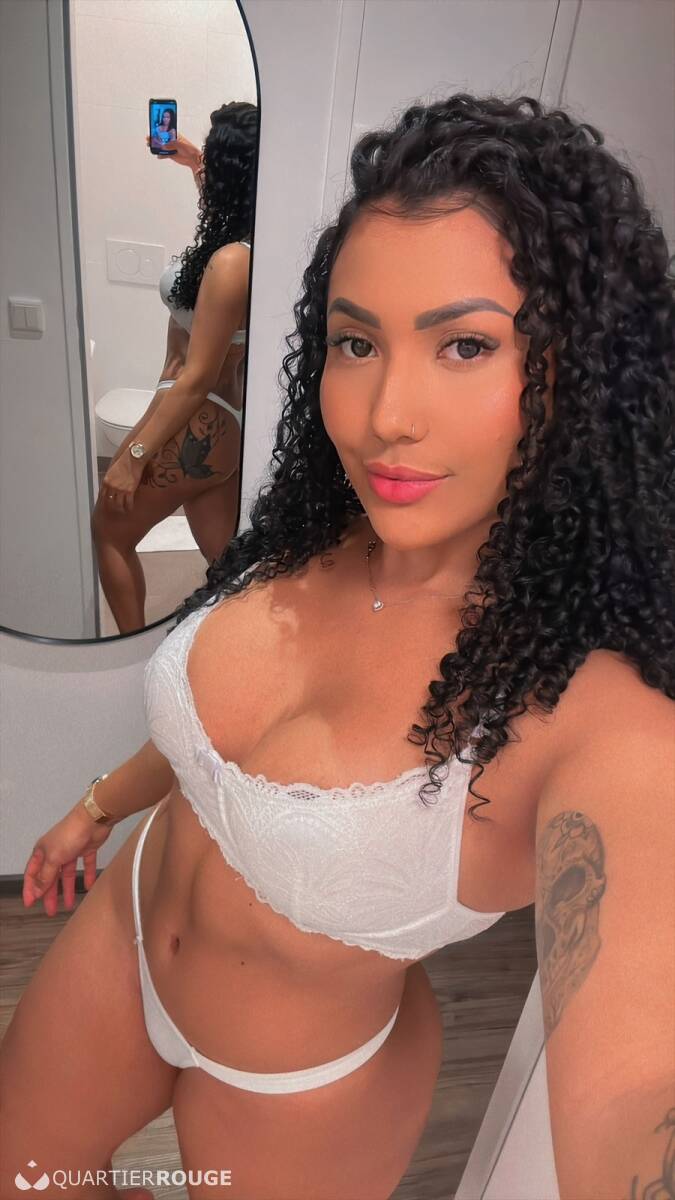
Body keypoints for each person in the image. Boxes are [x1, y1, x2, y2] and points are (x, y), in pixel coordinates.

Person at [1, 93, 673, 1200]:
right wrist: (98, 804)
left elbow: (636, 1099)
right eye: (356, 341)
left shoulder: (599, 716)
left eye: (465, 344)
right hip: (122, 940)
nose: (383, 415)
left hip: (296, 1085)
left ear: (577, 374)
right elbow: (217, 742)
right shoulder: (315, 531)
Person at [91, 101, 258, 635]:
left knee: (109, 531)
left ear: (232, 170)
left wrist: (134, 457)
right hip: (217, 423)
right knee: (230, 572)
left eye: (213, 153)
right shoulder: (247, 240)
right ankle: (243, 656)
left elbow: (198, 376)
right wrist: (192, 162)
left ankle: (126, 652)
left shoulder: (231, 262)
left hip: (194, 410)